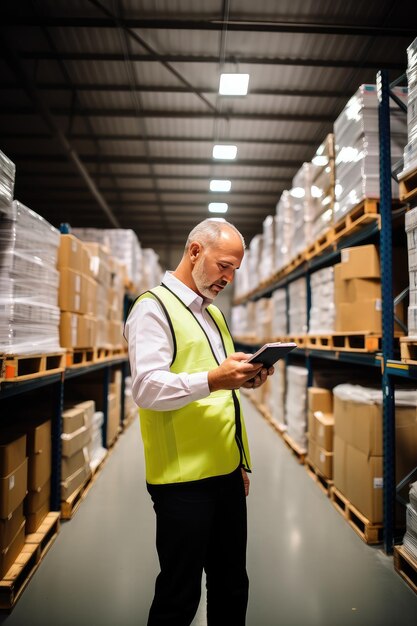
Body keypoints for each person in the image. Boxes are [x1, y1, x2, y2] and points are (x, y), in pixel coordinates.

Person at [125, 219, 274, 626]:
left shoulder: (212, 314)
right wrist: (214, 379)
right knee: (179, 593)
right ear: (194, 251)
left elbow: (223, 395)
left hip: (225, 473)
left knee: (231, 585)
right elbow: (147, 387)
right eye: (224, 266)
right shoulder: (152, 308)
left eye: (234, 270)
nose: (228, 278)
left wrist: (241, 457)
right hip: (182, 480)